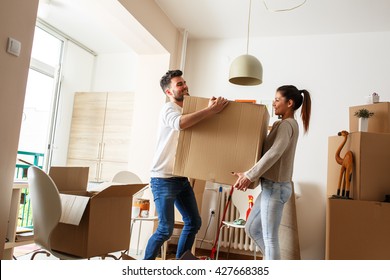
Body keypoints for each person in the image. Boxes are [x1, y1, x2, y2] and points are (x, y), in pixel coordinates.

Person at [144, 70, 229, 260]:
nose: (184, 86)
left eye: (184, 82)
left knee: (193, 222)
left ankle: (181, 265)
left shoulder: (187, 110)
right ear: (168, 92)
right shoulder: (169, 109)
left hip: (181, 177)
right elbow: (180, 124)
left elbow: (195, 124)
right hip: (163, 178)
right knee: (165, 229)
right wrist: (210, 110)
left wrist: (210, 108)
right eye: (179, 84)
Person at [232, 85, 311, 260]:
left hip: (275, 188)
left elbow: (275, 152)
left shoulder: (287, 125)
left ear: (289, 103)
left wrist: (249, 175)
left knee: (270, 238)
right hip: (271, 187)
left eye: (277, 99)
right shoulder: (283, 124)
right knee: (251, 228)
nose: (274, 103)